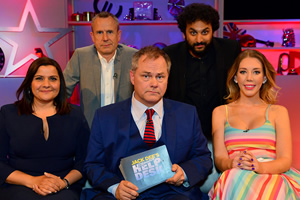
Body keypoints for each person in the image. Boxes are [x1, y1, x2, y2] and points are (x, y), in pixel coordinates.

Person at [84, 46, 212, 200]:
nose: (154, 83)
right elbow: (93, 164)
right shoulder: (105, 117)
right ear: (132, 77)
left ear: (167, 78)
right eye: (146, 76)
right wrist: (115, 187)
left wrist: (184, 173)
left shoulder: (187, 114)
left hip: (174, 194)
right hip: (123, 196)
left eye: (160, 77)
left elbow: (203, 158)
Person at [209, 49, 300, 199]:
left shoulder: (278, 112)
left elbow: (285, 160)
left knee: (275, 186)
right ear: (235, 77)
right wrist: (232, 163)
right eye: (243, 72)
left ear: (264, 78)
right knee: (233, 178)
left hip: (271, 174)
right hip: (235, 174)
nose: (249, 78)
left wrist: (259, 166)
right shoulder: (220, 112)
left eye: (256, 72)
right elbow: (219, 159)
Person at [0, 57, 90, 200]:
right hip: (19, 185)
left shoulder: (75, 114)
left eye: (53, 79)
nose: (46, 84)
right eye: (39, 78)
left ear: (60, 83)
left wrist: (63, 183)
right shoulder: (8, 113)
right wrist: (33, 181)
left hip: (63, 186)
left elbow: (85, 160)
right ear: (30, 83)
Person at [163, 3, 241, 141]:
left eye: (205, 32)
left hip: (224, 132)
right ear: (184, 33)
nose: (199, 39)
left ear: (213, 31)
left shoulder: (230, 50)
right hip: (183, 133)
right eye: (193, 33)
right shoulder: (170, 55)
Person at [63, 11, 138, 127]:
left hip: (125, 129)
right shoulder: (80, 56)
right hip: (91, 128)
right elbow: (63, 91)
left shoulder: (133, 56)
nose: (105, 38)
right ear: (92, 36)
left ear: (118, 35)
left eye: (109, 32)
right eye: (99, 33)